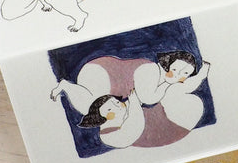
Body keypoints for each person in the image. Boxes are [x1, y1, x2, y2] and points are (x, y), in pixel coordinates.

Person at [50, 53, 211, 149]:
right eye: (175, 69)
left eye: (185, 74)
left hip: (106, 81)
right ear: (166, 63)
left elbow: (147, 101)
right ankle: (65, 86)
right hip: (102, 74)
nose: (177, 75)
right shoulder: (151, 70)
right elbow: (148, 98)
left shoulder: (164, 84)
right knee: (90, 106)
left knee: (90, 107)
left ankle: (65, 86)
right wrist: (166, 85)